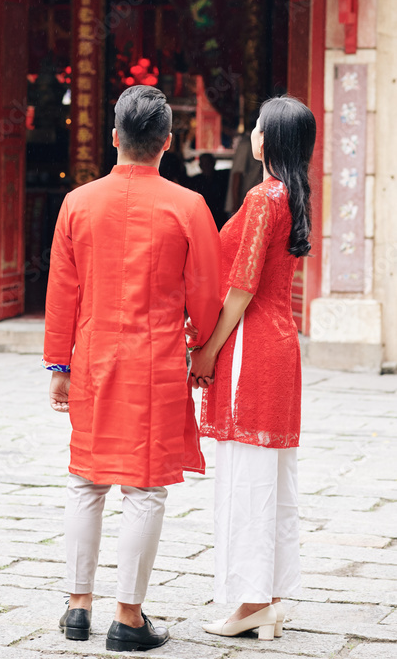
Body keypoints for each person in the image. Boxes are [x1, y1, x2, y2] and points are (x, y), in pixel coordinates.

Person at [44, 84, 222, 652]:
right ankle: (128, 617)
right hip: (156, 360)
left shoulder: (77, 203)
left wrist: (59, 365)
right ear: (167, 143)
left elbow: (61, 293)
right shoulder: (188, 206)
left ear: (115, 137)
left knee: (87, 481)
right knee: (144, 490)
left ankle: (77, 608)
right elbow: (207, 297)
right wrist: (203, 353)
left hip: (94, 357)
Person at [190, 95, 316, 642]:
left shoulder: (265, 198)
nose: (253, 133)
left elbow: (240, 288)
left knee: (245, 478)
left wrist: (210, 349)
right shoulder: (295, 196)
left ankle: (250, 602)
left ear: (270, 139)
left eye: (258, 127)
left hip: (250, 347)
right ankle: (266, 597)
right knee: (272, 478)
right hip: (281, 344)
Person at [224, 112, 263, 217]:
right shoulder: (246, 144)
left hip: (250, 204)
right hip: (241, 205)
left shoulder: (255, 145)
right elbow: (237, 175)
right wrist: (236, 208)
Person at [190, 152, 228, 230]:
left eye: (208, 163)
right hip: (202, 216)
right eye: (203, 164)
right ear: (200, 166)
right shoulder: (195, 180)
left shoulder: (223, 177)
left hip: (220, 215)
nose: (206, 166)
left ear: (213, 163)